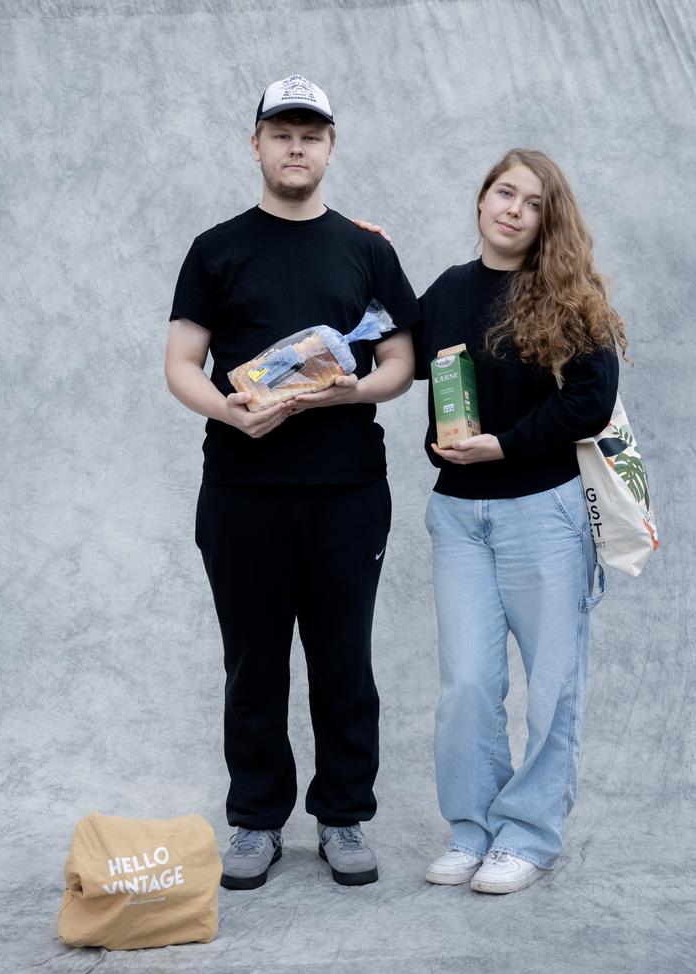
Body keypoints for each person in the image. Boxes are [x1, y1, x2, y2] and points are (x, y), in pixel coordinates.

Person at [165, 74, 420, 890]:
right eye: (282, 132)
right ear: (257, 146)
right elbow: (181, 363)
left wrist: (357, 389)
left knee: (344, 659)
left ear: (331, 147)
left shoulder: (367, 248)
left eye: (312, 133)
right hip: (242, 490)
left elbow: (402, 362)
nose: (297, 146)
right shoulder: (217, 247)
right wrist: (231, 413)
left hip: (347, 491)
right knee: (254, 662)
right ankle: (256, 823)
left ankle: (343, 816)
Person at [411, 149, 625, 893]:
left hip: (544, 512)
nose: (513, 209)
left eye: (532, 202)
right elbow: (400, 358)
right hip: (459, 516)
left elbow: (590, 402)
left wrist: (502, 444)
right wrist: (364, 251)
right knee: (467, 685)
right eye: (504, 192)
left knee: (551, 685)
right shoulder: (444, 291)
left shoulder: (565, 294)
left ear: (546, 221)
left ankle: (528, 835)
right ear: (481, 199)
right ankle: (472, 829)